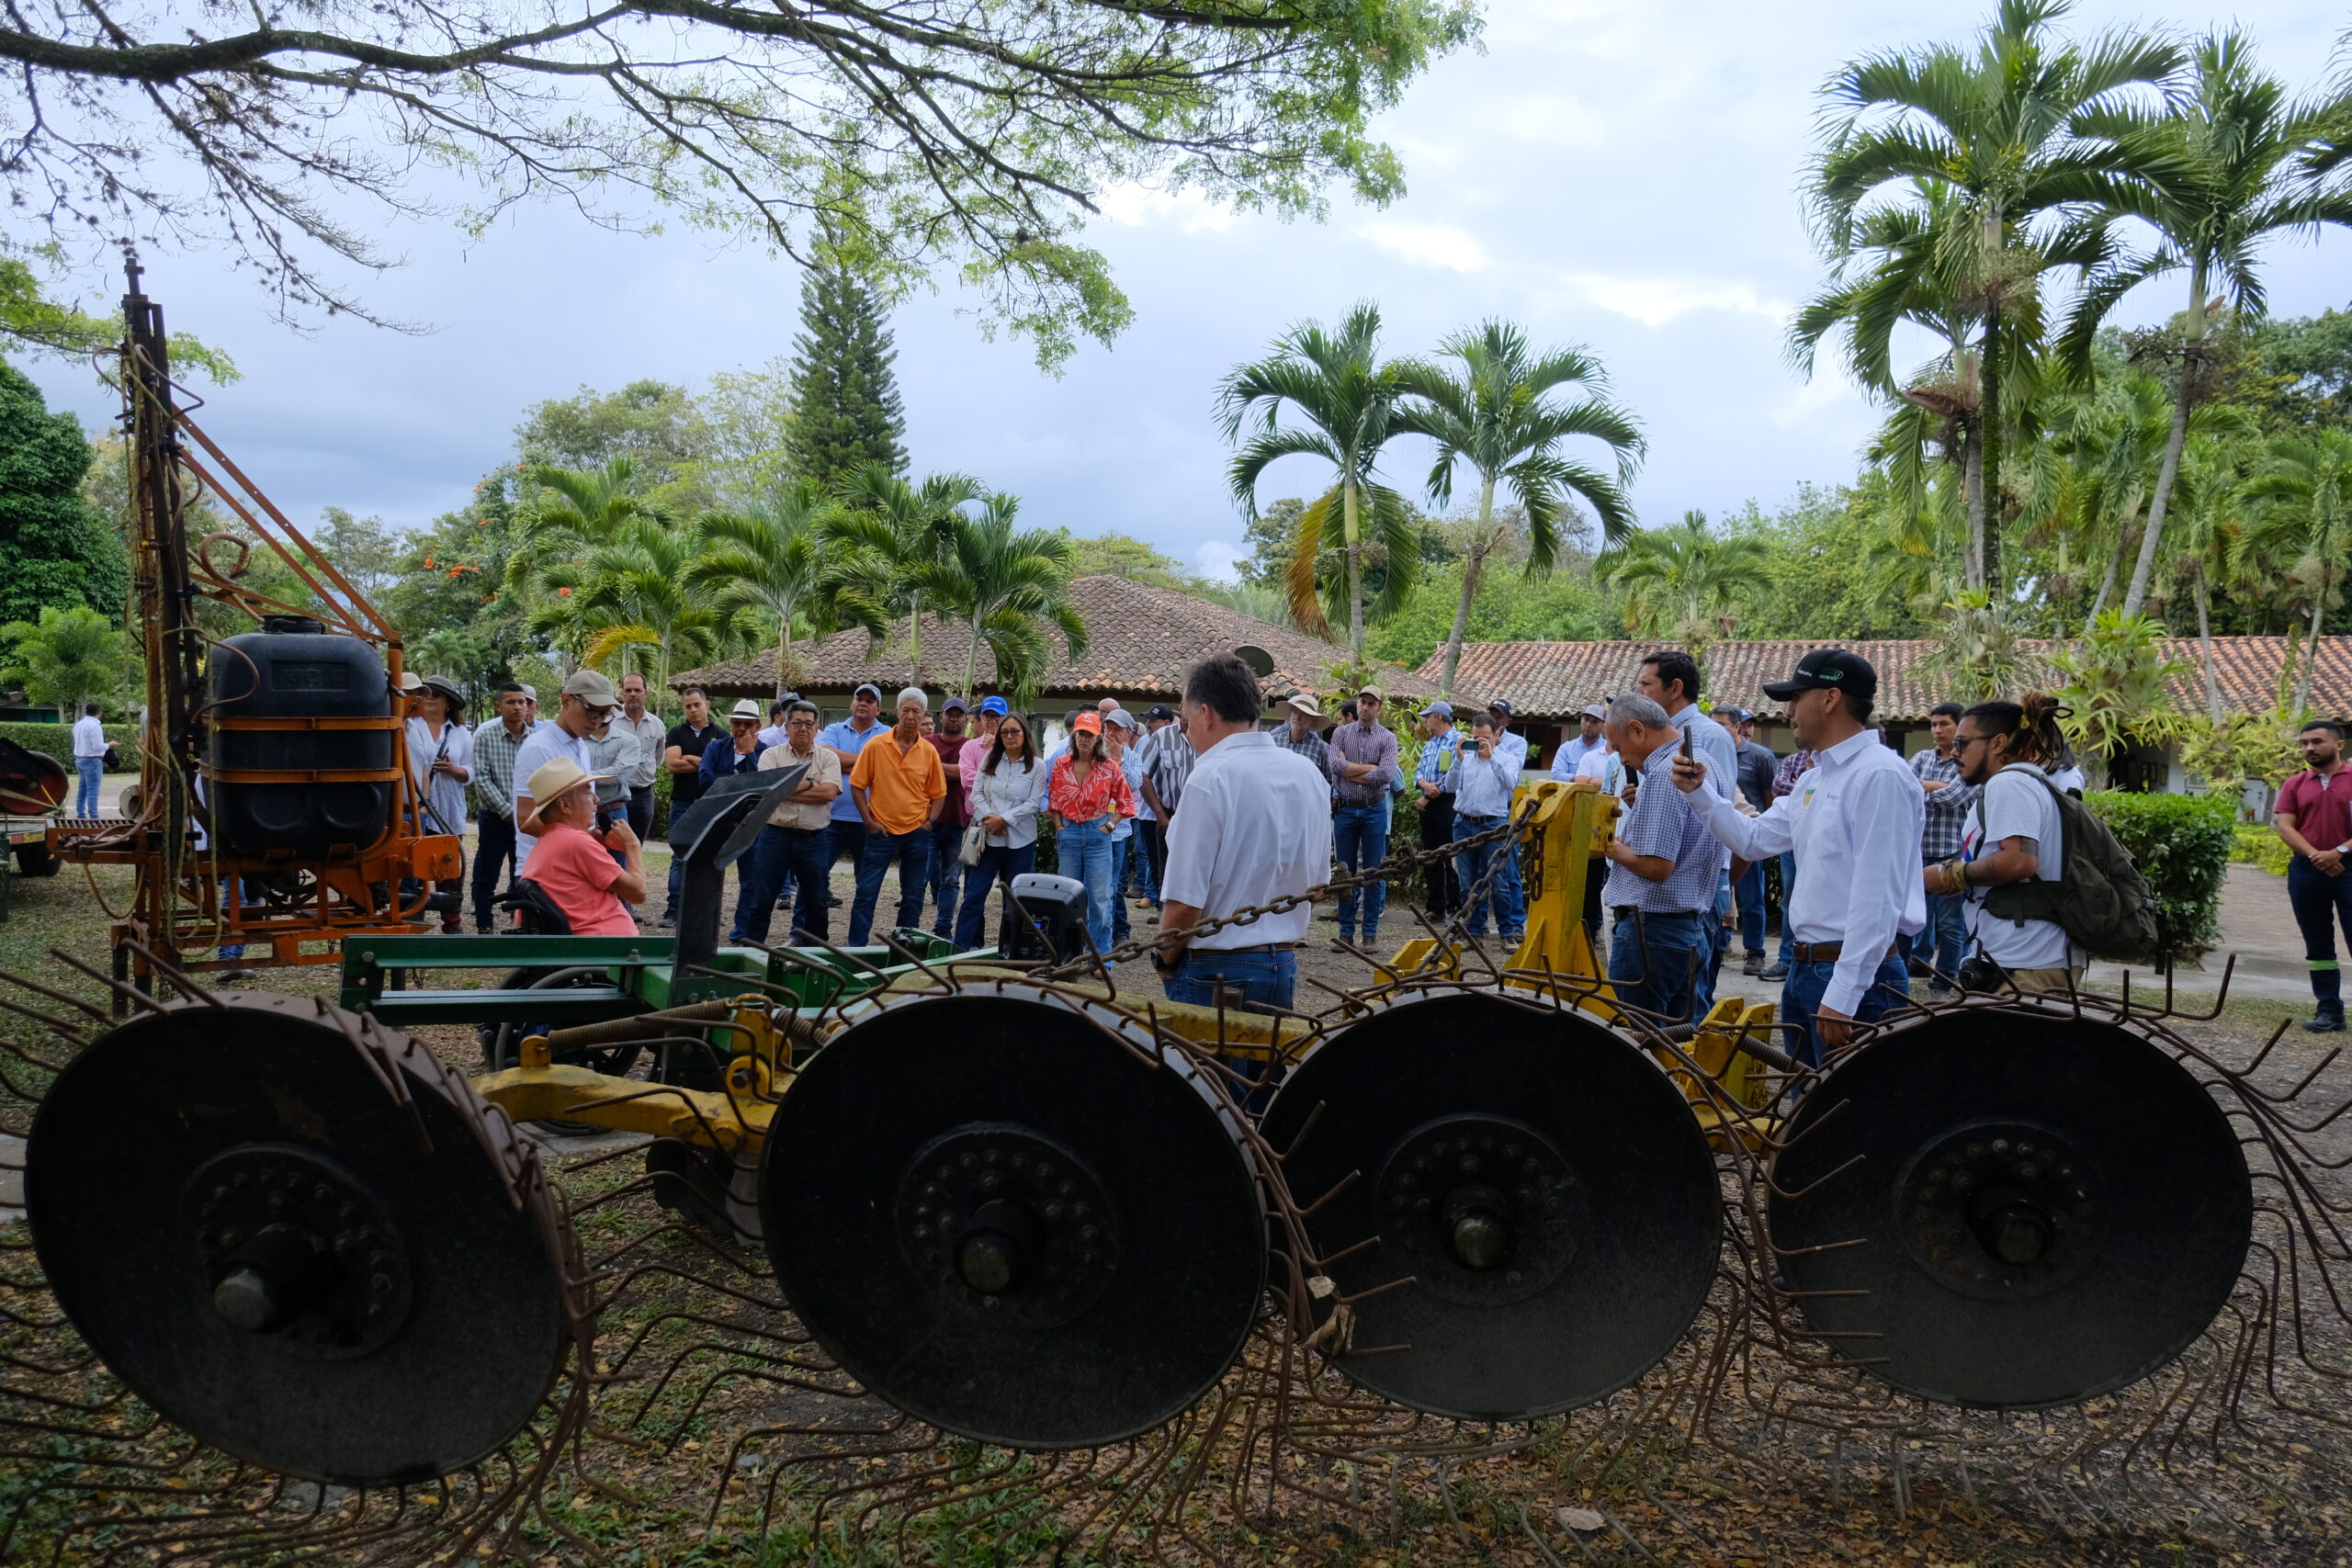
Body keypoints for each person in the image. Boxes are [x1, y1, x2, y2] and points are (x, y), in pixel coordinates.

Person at [1672, 649, 1923, 1068]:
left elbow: (1877, 899)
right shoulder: (1816, 777)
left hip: (1855, 977)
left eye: (1795, 698)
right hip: (1808, 971)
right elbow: (1753, 840)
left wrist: (1844, 995)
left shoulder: (1880, 775)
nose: (1788, 712)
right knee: (1812, 1109)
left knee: (1850, 1116)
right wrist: (1700, 792)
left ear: (1830, 698)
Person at [1152, 654, 1331, 1016]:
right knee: (1266, 1072)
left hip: (1214, 970)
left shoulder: (1209, 779)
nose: (1186, 733)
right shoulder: (1308, 773)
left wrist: (1164, 959)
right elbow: (1319, 886)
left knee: (1208, 1074)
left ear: (1206, 713)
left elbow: (1185, 902)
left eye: (1186, 722)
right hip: (1281, 964)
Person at [1930, 694, 2079, 998]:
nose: (1955, 753)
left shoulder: (2010, 782)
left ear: (1997, 743)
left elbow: (2019, 862)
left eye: (1963, 743)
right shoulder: (2029, 781)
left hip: (2025, 961)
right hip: (2028, 958)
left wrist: (1950, 875)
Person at [1599, 693, 1722, 1021]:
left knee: (1639, 1043)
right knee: (1676, 1043)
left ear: (1638, 730)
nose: (1622, 760)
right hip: (1687, 931)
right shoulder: (1703, 762)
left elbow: (1657, 866)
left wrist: (1602, 842)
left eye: (1619, 747)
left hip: (1650, 934)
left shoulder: (1664, 774)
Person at [1636, 651, 1738, 1012]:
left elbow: (1720, 818)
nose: (1639, 692)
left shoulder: (1709, 737)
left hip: (1697, 889)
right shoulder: (1663, 738)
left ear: (1675, 688)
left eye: (1646, 685)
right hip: (1667, 891)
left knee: (1689, 1002)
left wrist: (1719, 885)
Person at [734, 702, 842, 946]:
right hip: (775, 836)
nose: (803, 728)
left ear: (816, 728)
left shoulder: (828, 757)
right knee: (761, 899)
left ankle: (816, 952)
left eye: (808, 724)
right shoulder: (771, 755)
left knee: (816, 900)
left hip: (814, 839)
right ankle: (751, 950)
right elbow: (769, 792)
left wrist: (786, 787)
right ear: (787, 726)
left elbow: (829, 794)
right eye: (797, 723)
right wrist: (813, 782)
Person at [846, 688, 947, 945]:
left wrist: (930, 823)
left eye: (916, 711)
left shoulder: (929, 752)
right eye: (906, 710)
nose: (911, 716)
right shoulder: (877, 746)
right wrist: (868, 820)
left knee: (913, 895)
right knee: (867, 892)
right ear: (897, 712)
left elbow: (938, 793)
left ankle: (905, 945)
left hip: (917, 832)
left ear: (924, 715)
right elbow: (857, 785)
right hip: (882, 831)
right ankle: (857, 948)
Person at [513, 757, 645, 936]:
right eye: (587, 791)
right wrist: (633, 845)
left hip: (580, 948)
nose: (596, 799)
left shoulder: (547, 843)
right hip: (605, 950)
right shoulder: (577, 842)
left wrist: (594, 842)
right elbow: (637, 893)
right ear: (565, 805)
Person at [2277, 717, 2352, 1033]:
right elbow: (2285, 826)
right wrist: (2316, 856)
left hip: (2350, 869)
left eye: (2317, 742)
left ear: (2339, 745)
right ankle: (2329, 1011)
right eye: (2305, 743)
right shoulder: (2295, 784)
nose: (2309, 748)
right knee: (2318, 945)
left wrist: (2339, 853)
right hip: (2307, 872)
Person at [1046, 709, 1136, 954]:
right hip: (1070, 833)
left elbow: (1126, 803)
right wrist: (1060, 826)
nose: (1084, 738)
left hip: (1098, 835)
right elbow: (1052, 802)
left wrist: (1109, 825)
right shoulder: (1061, 765)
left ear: (1098, 738)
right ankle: (1068, 952)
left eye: (1090, 734)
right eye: (1080, 733)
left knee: (1100, 898)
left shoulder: (1110, 768)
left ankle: (1100, 956)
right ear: (1074, 736)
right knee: (1068, 896)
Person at [956, 713, 1048, 950]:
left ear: (1025, 733)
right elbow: (976, 793)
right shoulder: (990, 759)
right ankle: (961, 947)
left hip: (1020, 842)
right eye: (1005, 732)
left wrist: (1004, 820)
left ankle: (1012, 950)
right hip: (988, 839)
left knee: (1016, 900)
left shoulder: (1037, 765)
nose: (1009, 736)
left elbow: (1033, 802)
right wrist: (990, 820)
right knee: (974, 896)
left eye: (1014, 731)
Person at [1908, 701, 1980, 996]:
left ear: (1959, 726)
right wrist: (1932, 786)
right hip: (1917, 853)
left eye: (1944, 724)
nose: (1937, 730)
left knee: (1951, 927)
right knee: (1910, 920)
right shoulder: (1921, 757)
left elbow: (1953, 797)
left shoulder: (1969, 762)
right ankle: (1905, 971)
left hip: (1953, 855)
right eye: (1934, 725)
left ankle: (1945, 980)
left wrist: (1921, 788)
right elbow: (1904, 790)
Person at [513, 670, 616, 873]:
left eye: (604, 714)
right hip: (545, 870)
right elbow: (526, 819)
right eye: (591, 710)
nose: (597, 720)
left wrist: (594, 837)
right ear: (566, 700)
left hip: (570, 865)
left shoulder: (580, 746)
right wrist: (582, 844)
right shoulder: (540, 747)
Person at [1329, 684, 1400, 951]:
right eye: (1362, 702)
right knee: (1345, 872)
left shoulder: (1387, 738)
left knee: (1373, 872)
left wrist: (1351, 770)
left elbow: (1385, 775)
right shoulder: (1340, 733)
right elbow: (1335, 767)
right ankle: (1346, 933)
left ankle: (1369, 934)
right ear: (1357, 704)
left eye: (1372, 703)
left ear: (1379, 708)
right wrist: (1369, 768)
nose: (1366, 707)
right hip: (1345, 808)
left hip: (1374, 809)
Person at [1446, 712, 1525, 946]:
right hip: (1464, 823)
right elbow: (1450, 786)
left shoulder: (1507, 758)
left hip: (1494, 824)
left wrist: (1491, 758)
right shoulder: (1465, 758)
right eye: (1476, 738)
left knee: (1500, 883)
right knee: (1467, 884)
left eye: (1485, 738)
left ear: (1496, 734)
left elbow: (1512, 785)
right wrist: (1458, 759)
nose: (1480, 743)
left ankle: (1507, 934)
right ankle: (1474, 933)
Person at [404, 675, 474, 931]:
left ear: (449, 703)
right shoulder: (411, 725)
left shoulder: (460, 734)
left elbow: (472, 770)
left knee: (449, 869)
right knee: (414, 866)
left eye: (437, 694)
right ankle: (413, 919)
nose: (430, 697)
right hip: (415, 808)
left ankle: (452, 924)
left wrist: (455, 770)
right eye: (426, 693)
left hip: (448, 808)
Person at [469, 682, 533, 932]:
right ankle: (484, 925)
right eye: (511, 702)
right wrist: (508, 812)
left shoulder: (536, 739)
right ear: (498, 706)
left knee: (524, 875)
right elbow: (482, 779)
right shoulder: (485, 735)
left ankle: (520, 924)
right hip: (495, 817)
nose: (518, 707)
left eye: (522, 702)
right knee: (487, 874)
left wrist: (524, 815)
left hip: (527, 819)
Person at [1721, 706, 1778, 976]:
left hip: (1749, 835)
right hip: (1720, 838)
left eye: (1723, 725)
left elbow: (1770, 800)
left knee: (1752, 899)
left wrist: (1760, 837)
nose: (1717, 730)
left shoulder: (1760, 756)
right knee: (1722, 895)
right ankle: (1719, 946)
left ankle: (1755, 953)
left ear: (1737, 726)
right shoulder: (1715, 753)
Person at [659, 686, 723, 925]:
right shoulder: (675, 733)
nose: (693, 710)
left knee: (712, 856)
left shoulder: (722, 734)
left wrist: (693, 759)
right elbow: (673, 765)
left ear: (707, 704)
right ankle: (673, 910)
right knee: (680, 856)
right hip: (682, 802)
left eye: (697, 704)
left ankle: (710, 911)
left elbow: (722, 771)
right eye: (688, 706)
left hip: (712, 803)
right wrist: (707, 762)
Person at [821, 682, 888, 901]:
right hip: (832, 818)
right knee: (814, 876)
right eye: (859, 699)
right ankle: (803, 931)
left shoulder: (887, 734)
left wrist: (843, 764)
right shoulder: (833, 730)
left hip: (869, 820)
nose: (863, 704)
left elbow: (887, 769)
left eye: (870, 701)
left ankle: (858, 936)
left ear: (878, 709)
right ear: (852, 703)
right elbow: (826, 759)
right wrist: (869, 764)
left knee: (866, 884)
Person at [919, 696, 973, 937]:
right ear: (941, 717)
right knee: (919, 877)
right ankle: (910, 928)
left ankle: (943, 929)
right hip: (926, 820)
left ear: (966, 719)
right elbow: (918, 772)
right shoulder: (926, 742)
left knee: (951, 880)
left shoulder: (971, 747)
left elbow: (965, 774)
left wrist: (934, 767)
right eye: (949, 714)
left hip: (958, 821)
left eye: (958, 714)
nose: (953, 718)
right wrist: (951, 771)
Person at [1761, 743, 1815, 982]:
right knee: (1789, 901)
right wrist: (1809, 785)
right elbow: (1778, 786)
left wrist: (1805, 785)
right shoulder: (1793, 759)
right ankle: (1787, 960)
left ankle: (1811, 959)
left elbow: (1789, 789)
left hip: (1817, 845)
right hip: (1792, 845)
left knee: (1816, 900)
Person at [1133, 704, 1191, 915]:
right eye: (1185, 705)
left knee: (1198, 874)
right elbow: (1143, 774)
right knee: (1165, 873)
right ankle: (1167, 922)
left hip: (1203, 818)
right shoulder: (1162, 737)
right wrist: (1160, 815)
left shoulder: (1212, 737)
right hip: (1169, 815)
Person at [1101, 709, 1149, 946]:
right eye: (1107, 727)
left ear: (1129, 734)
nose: (1110, 733)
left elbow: (1133, 785)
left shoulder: (1132, 757)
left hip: (1118, 832)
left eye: (1117, 729)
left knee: (1114, 884)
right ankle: (1112, 931)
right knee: (1103, 885)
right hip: (1094, 829)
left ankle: (1117, 932)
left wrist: (1118, 758)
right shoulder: (1094, 753)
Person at [1414, 701, 1461, 920]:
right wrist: (1424, 786)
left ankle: (1456, 906)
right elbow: (1418, 773)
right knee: (1429, 856)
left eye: (1428, 716)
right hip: (1428, 804)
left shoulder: (1458, 740)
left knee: (1450, 855)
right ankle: (1436, 907)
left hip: (1448, 803)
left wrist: (1428, 793)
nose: (1426, 720)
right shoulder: (1430, 744)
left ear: (1440, 717)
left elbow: (1454, 774)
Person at [614, 673, 667, 842]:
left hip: (643, 795)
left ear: (646, 693)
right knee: (615, 845)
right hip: (615, 794)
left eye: (638, 690)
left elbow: (658, 758)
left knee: (636, 845)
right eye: (628, 690)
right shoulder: (610, 722)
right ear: (622, 694)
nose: (633, 694)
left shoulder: (657, 725)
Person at [1272, 693, 1332, 778]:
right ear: (1290, 716)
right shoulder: (1274, 742)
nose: (1297, 717)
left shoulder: (1323, 749)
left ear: (1312, 720)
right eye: (1295, 712)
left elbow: (1327, 783)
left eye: (1303, 714)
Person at [1550, 703, 1609, 782]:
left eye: (1595, 722)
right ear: (1581, 720)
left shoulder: (1609, 749)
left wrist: (1588, 781)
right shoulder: (1566, 748)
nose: (1588, 724)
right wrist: (1580, 779)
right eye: (1586, 719)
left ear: (1603, 725)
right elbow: (1556, 774)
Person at [70, 702, 106, 817]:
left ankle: (81, 814)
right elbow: (98, 746)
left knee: (82, 790)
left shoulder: (78, 724)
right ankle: (94, 816)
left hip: (80, 759)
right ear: (99, 713)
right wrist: (109, 745)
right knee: (93, 791)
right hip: (93, 760)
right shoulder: (95, 726)